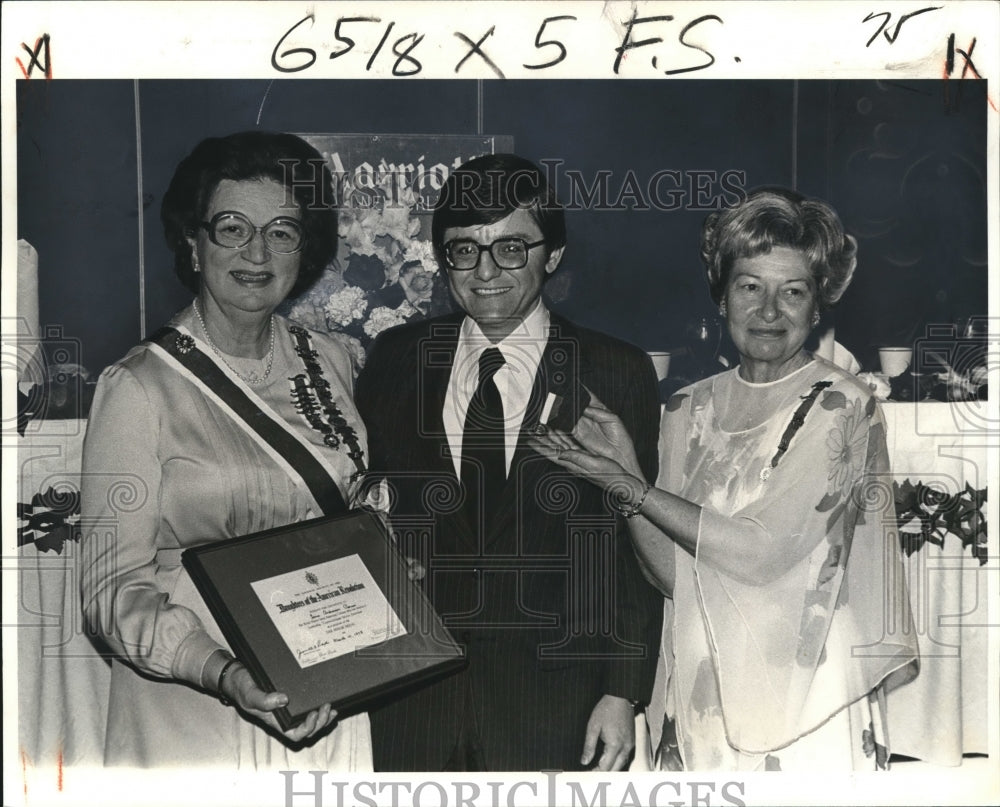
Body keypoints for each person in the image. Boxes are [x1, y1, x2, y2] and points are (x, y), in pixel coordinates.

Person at [533, 187, 919, 771]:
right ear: (721, 297)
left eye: (793, 291)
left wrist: (629, 486)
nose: (769, 312)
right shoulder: (687, 408)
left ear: (818, 308)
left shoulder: (844, 406)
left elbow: (763, 552)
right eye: (750, 287)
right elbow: (672, 576)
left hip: (801, 697)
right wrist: (630, 472)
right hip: (700, 683)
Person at [355, 154, 663, 772]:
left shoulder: (613, 370)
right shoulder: (395, 358)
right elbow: (367, 506)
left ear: (553, 254)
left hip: (558, 701)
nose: (486, 271)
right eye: (464, 250)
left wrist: (624, 690)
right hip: (413, 702)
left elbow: (632, 545)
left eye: (511, 248)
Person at [80, 131, 372, 768]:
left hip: (327, 689)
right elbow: (110, 593)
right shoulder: (137, 387)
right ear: (193, 241)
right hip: (197, 707)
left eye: (282, 232)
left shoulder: (332, 360)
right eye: (232, 227)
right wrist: (220, 671)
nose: (258, 252)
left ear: (306, 248)